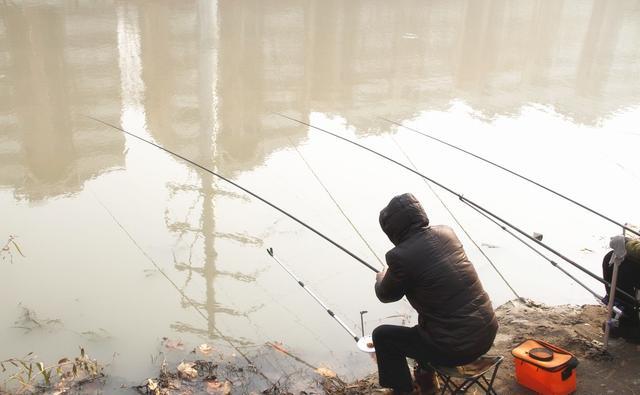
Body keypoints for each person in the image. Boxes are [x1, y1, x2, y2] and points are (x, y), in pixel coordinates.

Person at [372, 193, 498, 394]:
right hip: (487, 332)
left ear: (392, 229)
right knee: (425, 329)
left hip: (456, 349)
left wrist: (381, 277)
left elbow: (386, 295)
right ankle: (427, 380)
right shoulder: (447, 233)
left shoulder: (399, 257)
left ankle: (403, 390)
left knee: (383, 336)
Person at [602, 237, 640, 341]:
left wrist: (626, 242)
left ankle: (618, 327)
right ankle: (619, 324)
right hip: (621, 266)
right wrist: (626, 243)